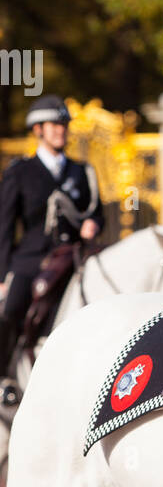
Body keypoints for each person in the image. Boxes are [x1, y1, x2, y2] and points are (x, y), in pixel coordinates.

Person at [0, 95, 103, 378]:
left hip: (74, 257)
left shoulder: (82, 171)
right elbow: (5, 226)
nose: (61, 130)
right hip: (32, 259)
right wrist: (2, 276)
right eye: (54, 125)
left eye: (64, 125)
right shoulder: (20, 172)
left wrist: (92, 224)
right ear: (38, 130)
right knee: (11, 310)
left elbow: (97, 212)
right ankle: (4, 378)